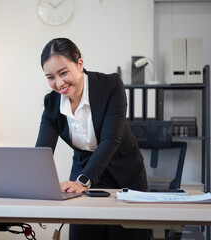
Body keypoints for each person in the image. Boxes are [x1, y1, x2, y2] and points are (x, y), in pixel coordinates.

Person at [35, 38, 150, 240]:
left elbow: (110, 140)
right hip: (83, 169)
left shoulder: (110, 86)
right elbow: (42, 152)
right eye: (50, 77)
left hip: (124, 175)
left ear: (80, 64)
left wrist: (83, 181)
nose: (59, 83)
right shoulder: (52, 103)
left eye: (63, 73)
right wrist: (31, 185)